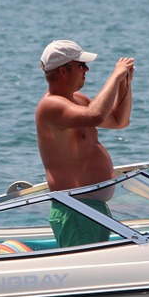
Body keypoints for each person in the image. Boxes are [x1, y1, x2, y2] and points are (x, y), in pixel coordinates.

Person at [35, 39, 135, 247]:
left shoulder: (77, 99)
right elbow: (95, 115)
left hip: (93, 209)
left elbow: (119, 121)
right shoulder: (50, 105)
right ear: (63, 71)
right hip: (75, 210)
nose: (86, 69)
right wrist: (115, 76)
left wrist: (125, 84)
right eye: (81, 65)